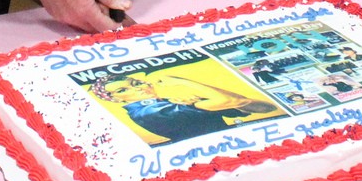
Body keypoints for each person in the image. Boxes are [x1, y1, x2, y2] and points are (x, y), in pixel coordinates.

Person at [89, 72, 277, 144]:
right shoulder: (149, 112)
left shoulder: (168, 99)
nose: (137, 88)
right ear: (114, 99)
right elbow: (233, 102)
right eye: (124, 89)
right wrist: (183, 81)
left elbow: (265, 108)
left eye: (135, 82)